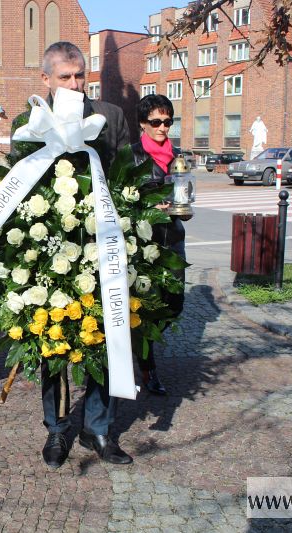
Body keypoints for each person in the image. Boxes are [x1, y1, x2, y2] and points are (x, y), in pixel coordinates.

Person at [12, 41, 132, 468]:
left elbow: (125, 175)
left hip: (103, 248)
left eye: (81, 75)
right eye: (65, 77)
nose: (75, 84)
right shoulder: (29, 121)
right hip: (50, 251)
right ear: (45, 78)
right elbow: (18, 185)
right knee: (53, 344)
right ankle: (57, 429)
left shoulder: (110, 116)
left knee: (108, 336)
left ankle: (98, 428)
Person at [130, 94, 187, 395]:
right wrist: (152, 209)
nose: (163, 127)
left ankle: (141, 344)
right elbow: (125, 201)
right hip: (145, 244)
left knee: (175, 304)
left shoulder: (179, 157)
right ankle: (147, 367)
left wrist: (184, 206)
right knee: (148, 308)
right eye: (156, 122)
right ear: (143, 123)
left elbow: (184, 200)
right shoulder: (133, 156)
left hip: (174, 239)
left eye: (168, 121)